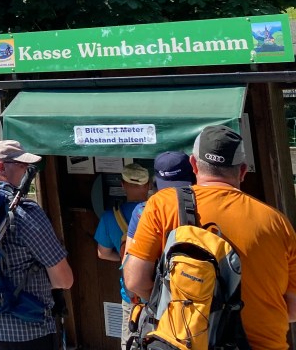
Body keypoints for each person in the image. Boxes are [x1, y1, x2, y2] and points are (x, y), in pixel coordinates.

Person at [124, 126, 296, 350]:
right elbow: (293, 309)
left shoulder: (163, 205)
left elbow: (135, 281)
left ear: (194, 165)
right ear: (243, 171)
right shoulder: (278, 224)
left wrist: (178, 308)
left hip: (187, 341)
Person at [0, 140, 74, 350]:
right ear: (1, 167)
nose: (27, 170)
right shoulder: (25, 212)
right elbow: (64, 279)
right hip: (26, 329)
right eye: (21, 164)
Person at [93, 163, 150, 350]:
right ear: (148, 185)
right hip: (159, 293)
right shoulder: (158, 212)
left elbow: (102, 253)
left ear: (123, 185)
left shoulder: (109, 217)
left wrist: (127, 259)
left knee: (130, 342)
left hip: (131, 296)